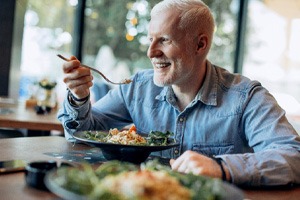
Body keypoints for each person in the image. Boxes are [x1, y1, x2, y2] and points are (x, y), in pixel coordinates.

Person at [58, 0, 300, 186]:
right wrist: (79, 97)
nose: (151, 52)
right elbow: (79, 133)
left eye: (164, 40)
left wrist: (221, 168)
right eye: (150, 39)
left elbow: (293, 158)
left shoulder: (247, 98)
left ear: (200, 45)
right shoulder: (137, 87)